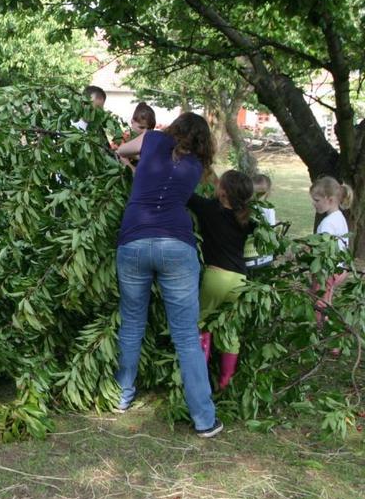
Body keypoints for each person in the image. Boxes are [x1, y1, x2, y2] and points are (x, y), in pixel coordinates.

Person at [113, 112, 222, 437]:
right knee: (187, 336)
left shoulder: (152, 139)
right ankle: (204, 419)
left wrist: (133, 168)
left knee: (132, 323)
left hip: (133, 239)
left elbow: (121, 152)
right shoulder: (197, 168)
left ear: (174, 127)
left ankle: (122, 396)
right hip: (177, 245)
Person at [187, 170, 256, 390]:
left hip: (216, 277)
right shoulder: (246, 219)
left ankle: (199, 379)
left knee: (202, 326)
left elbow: (184, 194)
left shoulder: (209, 209)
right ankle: (225, 380)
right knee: (229, 329)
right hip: (240, 280)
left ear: (223, 192)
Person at [309, 176, 353, 329]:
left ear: (330, 199)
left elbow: (322, 250)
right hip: (340, 269)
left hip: (327, 271)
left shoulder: (327, 223)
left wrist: (307, 249)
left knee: (320, 303)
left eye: (317, 200)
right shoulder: (339, 217)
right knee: (326, 299)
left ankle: (327, 336)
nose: (313, 204)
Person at [244, 174, 277, 272]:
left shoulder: (246, 207)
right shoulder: (269, 209)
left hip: (247, 254)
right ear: (268, 193)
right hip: (263, 253)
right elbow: (272, 229)